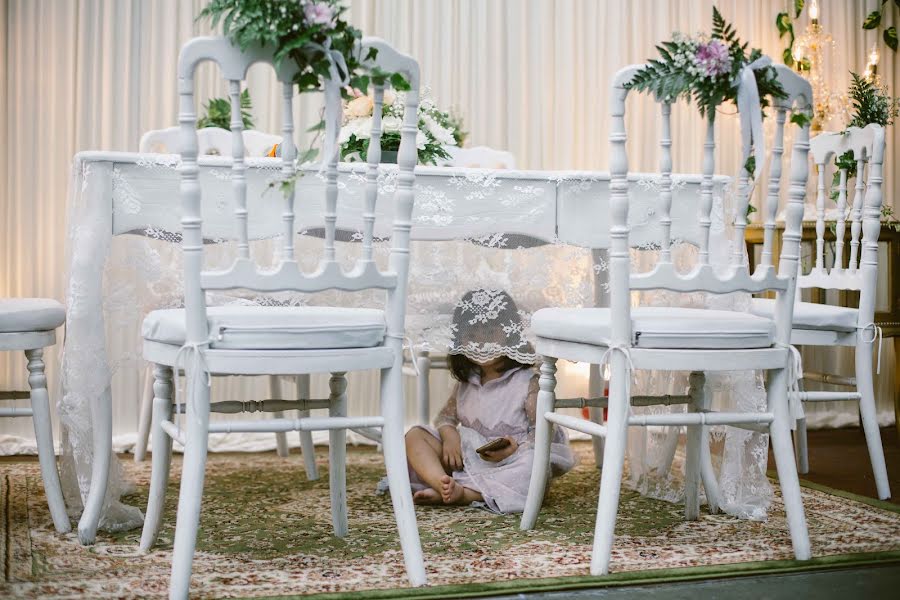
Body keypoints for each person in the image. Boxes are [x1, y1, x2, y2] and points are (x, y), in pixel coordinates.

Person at [403, 289, 575, 513]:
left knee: (532, 466)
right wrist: (450, 435)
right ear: (460, 340)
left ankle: (465, 494)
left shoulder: (526, 381)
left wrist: (516, 449)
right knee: (415, 435)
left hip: (511, 461)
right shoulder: (467, 383)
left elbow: (543, 430)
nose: (482, 342)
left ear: (510, 334)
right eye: (473, 336)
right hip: (467, 458)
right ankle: (442, 483)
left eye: (491, 332)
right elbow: (445, 417)